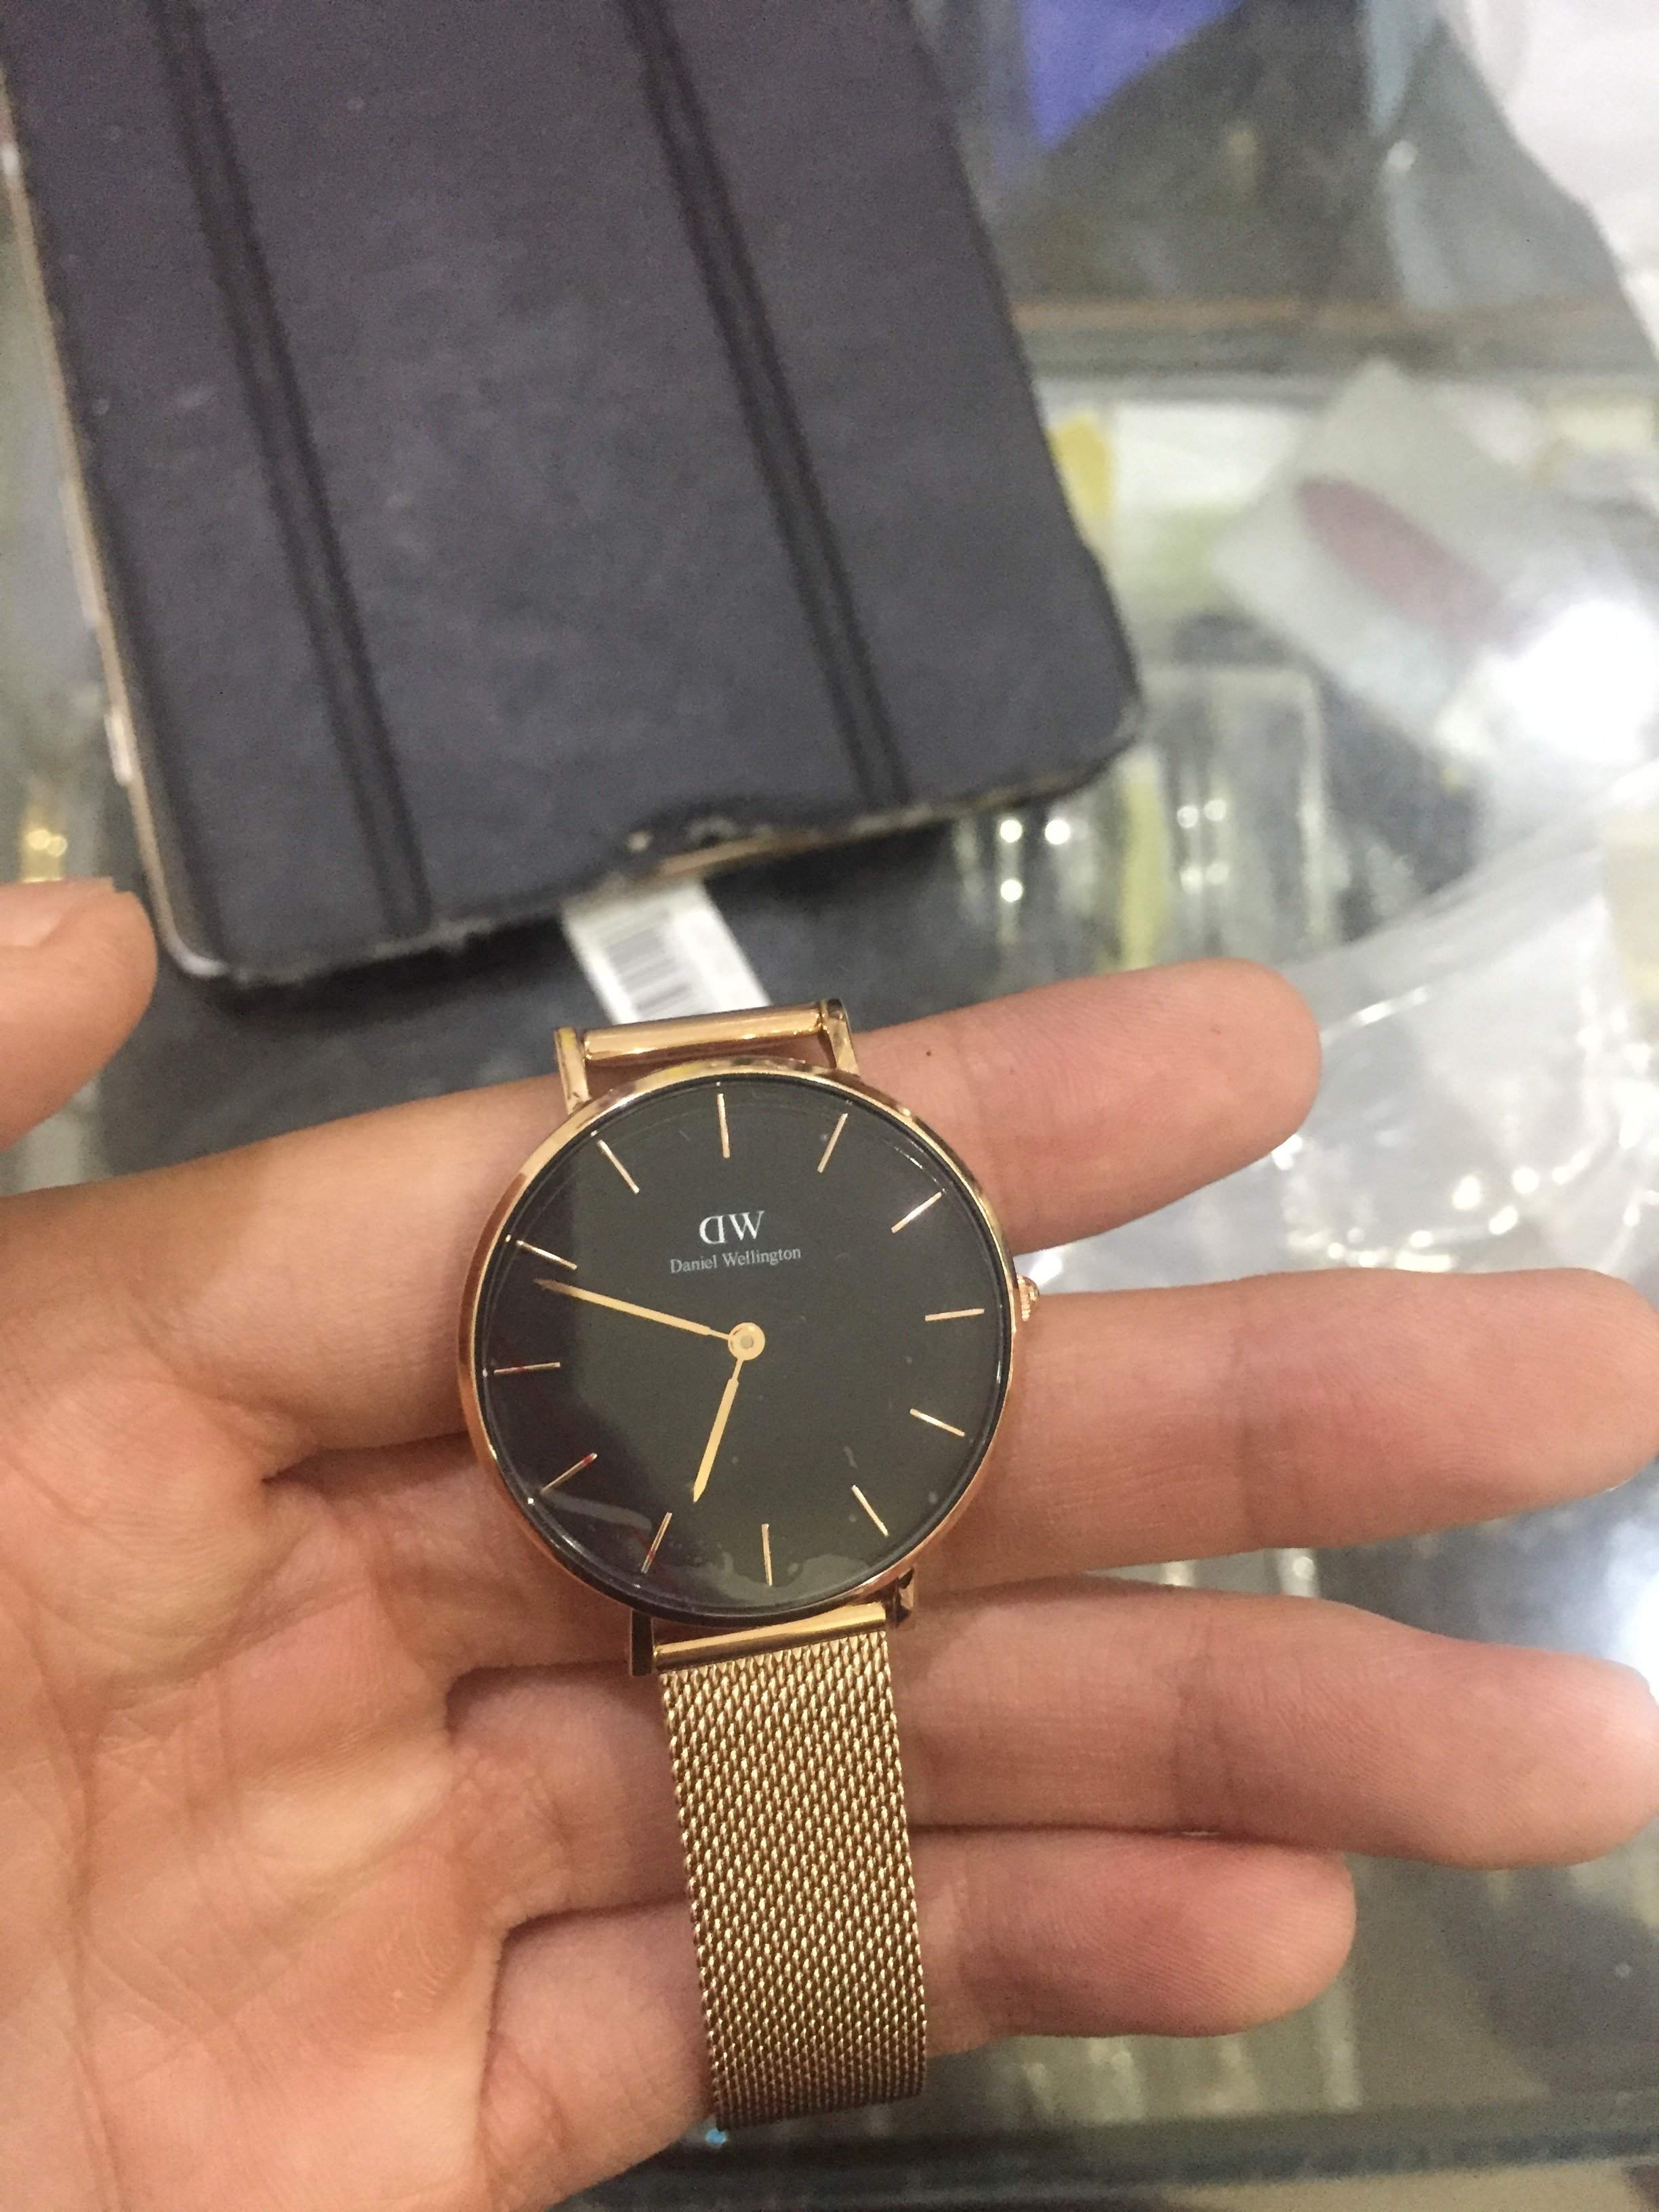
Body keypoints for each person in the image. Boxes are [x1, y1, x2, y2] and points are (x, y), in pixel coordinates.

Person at [4, 873, 1658, 2210]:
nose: (741, 1335)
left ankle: (825, 2065)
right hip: (687, 1570)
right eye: (720, 1327)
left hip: (819, 1562)